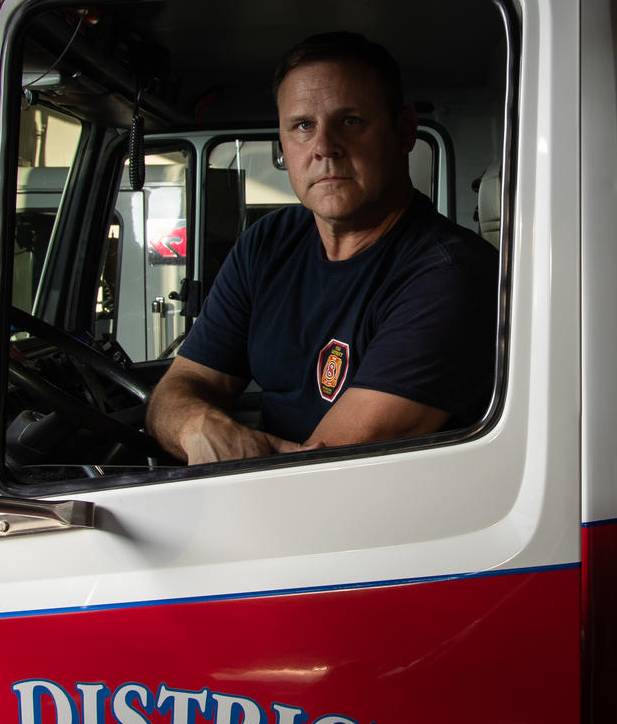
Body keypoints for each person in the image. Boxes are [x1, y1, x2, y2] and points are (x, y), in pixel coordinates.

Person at [147, 32, 498, 465]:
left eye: (350, 120)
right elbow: (183, 383)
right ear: (284, 146)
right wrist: (196, 425)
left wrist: (229, 445)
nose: (324, 148)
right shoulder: (267, 243)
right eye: (302, 126)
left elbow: (325, 469)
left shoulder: (450, 275)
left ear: (405, 130)